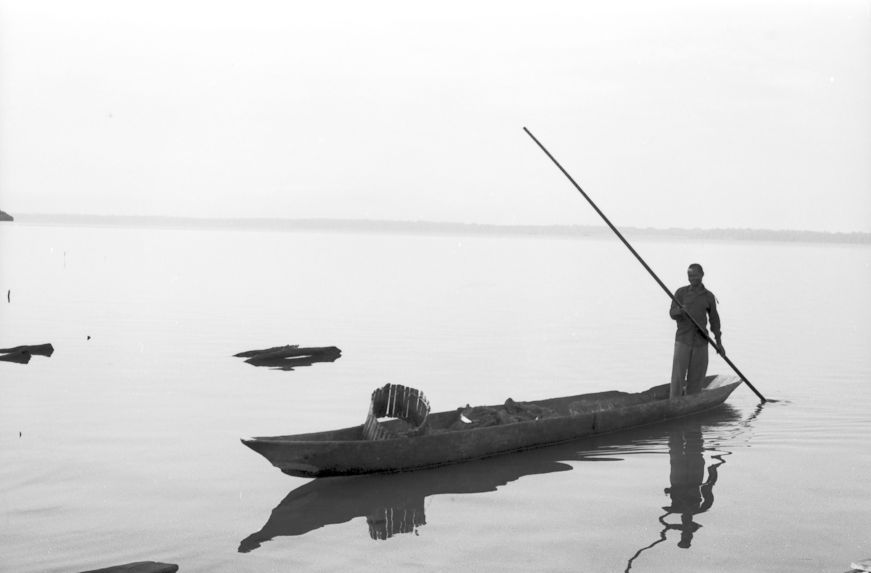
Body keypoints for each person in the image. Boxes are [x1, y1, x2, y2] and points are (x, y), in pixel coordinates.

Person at [669, 264, 725, 398]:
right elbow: (672, 313)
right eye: (689, 276)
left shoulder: (709, 296)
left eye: (694, 275)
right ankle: (674, 402)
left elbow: (714, 321)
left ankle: (691, 401)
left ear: (702, 275)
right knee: (678, 377)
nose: (691, 278)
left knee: (696, 378)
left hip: (701, 341)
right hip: (683, 340)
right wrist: (680, 311)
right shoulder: (680, 293)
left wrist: (718, 342)